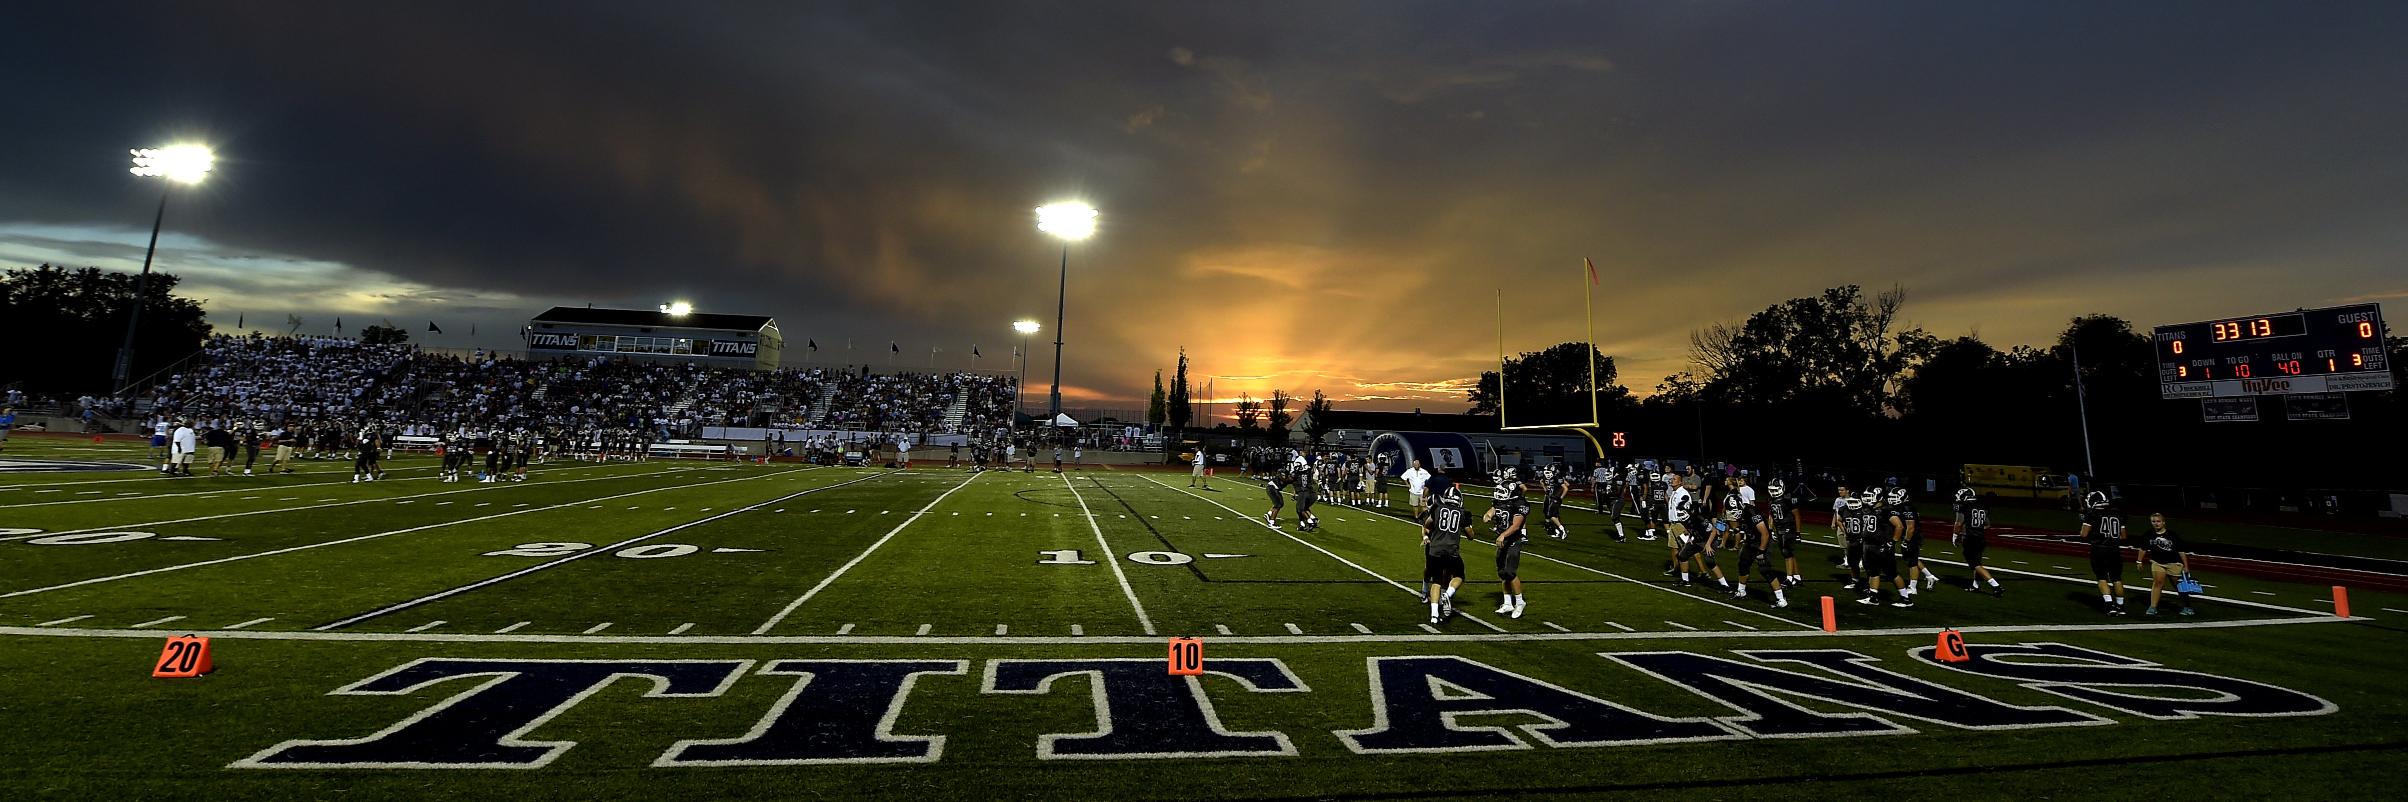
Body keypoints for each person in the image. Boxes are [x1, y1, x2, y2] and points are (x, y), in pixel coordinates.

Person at [1422, 471, 1468, 625]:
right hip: (1451, 550)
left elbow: (1428, 523)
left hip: (1435, 549)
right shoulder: (1463, 513)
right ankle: (1448, 594)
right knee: (1459, 575)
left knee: (1436, 581)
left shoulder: (1437, 508)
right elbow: (1471, 534)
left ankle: (1434, 615)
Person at [1728, 491, 1787, 607]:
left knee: (1764, 569)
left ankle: (1781, 599)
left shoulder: (1752, 512)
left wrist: (1761, 551)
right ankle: (1741, 591)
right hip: (1751, 540)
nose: (1733, 514)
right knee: (1743, 563)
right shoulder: (1741, 512)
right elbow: (1744, 526)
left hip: (1762, 541)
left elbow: (1765, 533)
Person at [1488, 470, 1530, 618]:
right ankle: (1507, 603)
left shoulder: (1520, 504)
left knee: (1510, 572)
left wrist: (1503, 535)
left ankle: (1519, 602)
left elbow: (1516, 525)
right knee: (1502, 573)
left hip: (1513, 540)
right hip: (1503, 540)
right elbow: (1494, 508)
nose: (1499, 493)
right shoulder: (1501, 502)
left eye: (1502, 491)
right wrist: (1489, 514)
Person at [2079, 490, 2129, 615]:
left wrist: (2096, 534)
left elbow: (2083, 534)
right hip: (2115, 550)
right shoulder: (2117, 513)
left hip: (2099, 549)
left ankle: (2109, 605)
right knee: (2116, 578)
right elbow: (2123, 536)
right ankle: (2121, 607)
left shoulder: (2092, 514)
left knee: (2101, 577)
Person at [2140, 512, 2194, 616]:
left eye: (2158, 521)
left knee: (2178, 586)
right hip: (2157, 563)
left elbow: (2181, 551)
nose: (2156, 524)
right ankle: (2153, 607)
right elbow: (2143, 548)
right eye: (2153, 521)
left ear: (2164, 522)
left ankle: (2187, 606)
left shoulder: (2172, 535)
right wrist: (2139, 561)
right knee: (2157, 583)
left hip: (2174, 563)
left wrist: (2186, 566)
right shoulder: (2149, 534)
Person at [1765, 478, 1808, 587]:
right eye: (1772, 490)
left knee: (1786, 552)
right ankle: (1797, 577)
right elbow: (1771, 514)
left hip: (1788, 527)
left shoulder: (1788, 498)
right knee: (1789, 553)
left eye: (1776, 489)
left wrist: (1798, 533)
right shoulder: (1771, 500)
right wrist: (1771, 529)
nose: (1774, 492)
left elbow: (1797, 515)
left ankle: (1789, 578)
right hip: (1779, 528)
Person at [1960, 492, 2003, 596]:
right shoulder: (1981, 508)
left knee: (1975, 564)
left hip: (1971, 539)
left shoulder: (1966, 508)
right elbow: (1987, 524)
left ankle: (1996, 585)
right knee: (1977, 563)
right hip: (1981, 539)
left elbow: (1959, 523)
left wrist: (1956, 535)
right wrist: (1979, 528)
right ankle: (1976, 585)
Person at [1540, 465, 1571, 540]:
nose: (1546, 474)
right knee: (1555, 515)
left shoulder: (1557, 477)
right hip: (1550, 497)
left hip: (1555, 498)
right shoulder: (1547, 478)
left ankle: (1562, 530)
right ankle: (1558, 531)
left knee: (1551, 515)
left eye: (1548, 472)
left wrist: (1560, 497)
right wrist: (1546, 490)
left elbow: (1566, 487)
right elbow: (1541, 481)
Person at [1261, 464, 1288, 530]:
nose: (1284, 476)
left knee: (1280, 504)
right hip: (1272, 489)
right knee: (1278, 504)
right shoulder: (1278, 479)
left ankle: (1269, 514)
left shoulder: (1288, 477)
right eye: (1282, 475)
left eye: (1284, 475)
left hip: (1273, 489)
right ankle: (1271, 522)